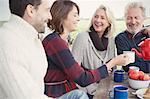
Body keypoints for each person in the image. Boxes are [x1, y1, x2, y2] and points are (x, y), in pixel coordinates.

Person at [0, 0, 89, 99]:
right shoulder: (8, 43)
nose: (50, 17)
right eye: (47, 10)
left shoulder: (32, 38)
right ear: (31, 11)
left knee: (79, 95)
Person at [42, 0, 130, 98]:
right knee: (81, 95)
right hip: (58, 93)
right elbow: (81, 78)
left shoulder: (61, 40)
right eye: (75, 15)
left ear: (109, 22)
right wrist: (113, 62)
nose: (78, 19)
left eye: (102, 18)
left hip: (70, 89)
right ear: (63, 16)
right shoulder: (56, 42)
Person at [71, 4, 116, 98]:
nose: (98, 20)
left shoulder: (111, 40)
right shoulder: (82, 37)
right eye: (96, 16)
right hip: (86, 91)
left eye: (102, 18)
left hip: (105, 90)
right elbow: (73, 73)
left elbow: (113, 68)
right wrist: (84, 93)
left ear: (109, 23)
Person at [115, 2, 150, 73]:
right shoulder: (121, 38)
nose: (133, 22)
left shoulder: (148, 34)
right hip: (134, 79)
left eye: (136, 18)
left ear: (143, 19)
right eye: (129, 18)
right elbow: (128, 66)